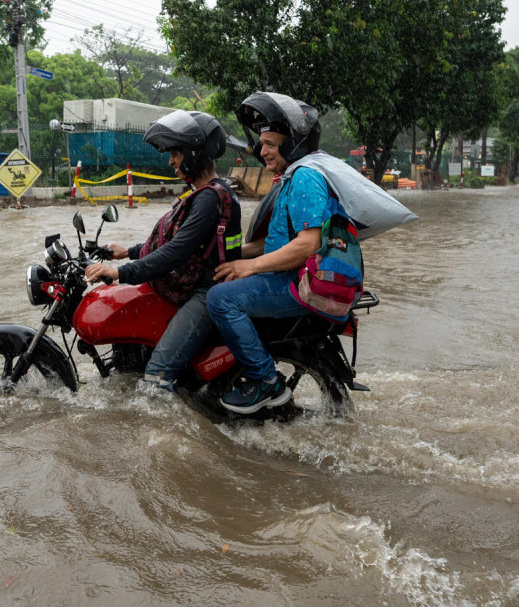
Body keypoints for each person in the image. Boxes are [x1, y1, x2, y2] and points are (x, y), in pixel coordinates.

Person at [85, 110, 243, 391]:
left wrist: (119, 272)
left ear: (195, 152)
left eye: (176, 154)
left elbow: (176, 253)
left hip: (206, 293)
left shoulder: (209, 198)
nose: (171, 161)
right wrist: (128, 252)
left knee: (157, 374)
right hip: (198, 287)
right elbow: (173, 242)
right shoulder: (207, 193)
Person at [207, 92, 343, 414]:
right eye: (262, 143)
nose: (261, 150)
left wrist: (250, 266)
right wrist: (228, 253)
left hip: (296, 283)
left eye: (269, 143)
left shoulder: (306, 177)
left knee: (220, 299)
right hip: (286, 274)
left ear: (292, 143)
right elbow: (276, 242)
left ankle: (266, 382)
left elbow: (307, 244)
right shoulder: (288, 179)